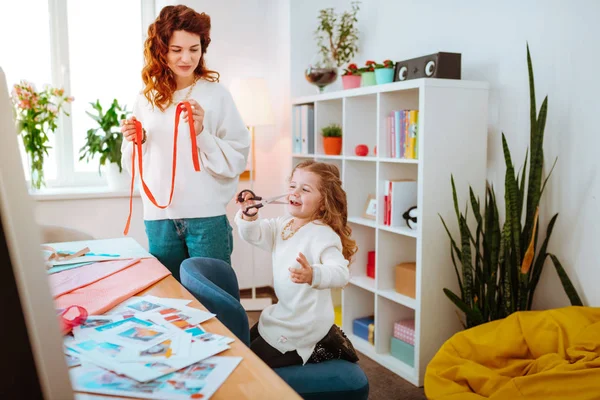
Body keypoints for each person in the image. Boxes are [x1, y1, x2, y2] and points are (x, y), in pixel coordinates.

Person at [120, 5, 250, 281]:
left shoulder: (216, 95)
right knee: (171, 302)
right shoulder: (146, 99)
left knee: (215, 299)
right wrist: (137, 140)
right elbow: (133, 163)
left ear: (203, 48)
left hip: (206, 218)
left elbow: (238, 154)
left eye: (194, 48)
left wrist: (201, 132)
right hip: (159, 219)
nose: (186, 57)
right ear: (161, 50)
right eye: (177, 49)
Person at [235, 160, 359, 368]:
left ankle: (324, 344)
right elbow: (256, 235)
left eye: (305, 189)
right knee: (245, 346)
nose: (295, 192)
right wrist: (250, 215)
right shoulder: (284, 224)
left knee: (251, 363)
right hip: (284, 312)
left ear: (323, 202)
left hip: (305, 323)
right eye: (293, 186)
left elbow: (341, 272)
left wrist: (314, 275)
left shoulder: (322, 234)